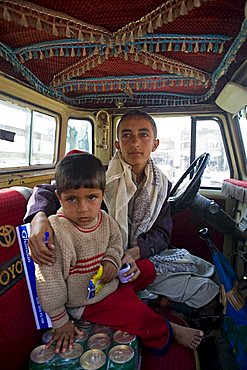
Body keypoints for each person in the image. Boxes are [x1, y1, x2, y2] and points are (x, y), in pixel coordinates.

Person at [25, 110, 219, 310]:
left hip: (136, 255)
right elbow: (44, 191)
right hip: (99, 262)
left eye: (143, 134)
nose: (135, 142)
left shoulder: (161, 185)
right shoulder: (100, 175)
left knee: (208, 270)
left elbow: (162, 233)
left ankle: (154, 301)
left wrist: (134, 252)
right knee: (206, 289)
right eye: (126, 135)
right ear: (117, 144)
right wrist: (39, 218)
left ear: (155, 144)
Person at [35, 152, 204, 354]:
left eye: (91, 198)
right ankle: (165, 330)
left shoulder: (104, 219)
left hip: (107, 282)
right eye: (71, 199)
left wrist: (111, 261)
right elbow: (49, 283)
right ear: (58, 197)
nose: (83, 209)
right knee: (139, 316)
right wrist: (61, 322)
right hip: (87, 302)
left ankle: (132, 298)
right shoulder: (56, 232)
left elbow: (115, 244)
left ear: (103, 194)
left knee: (147, 269)